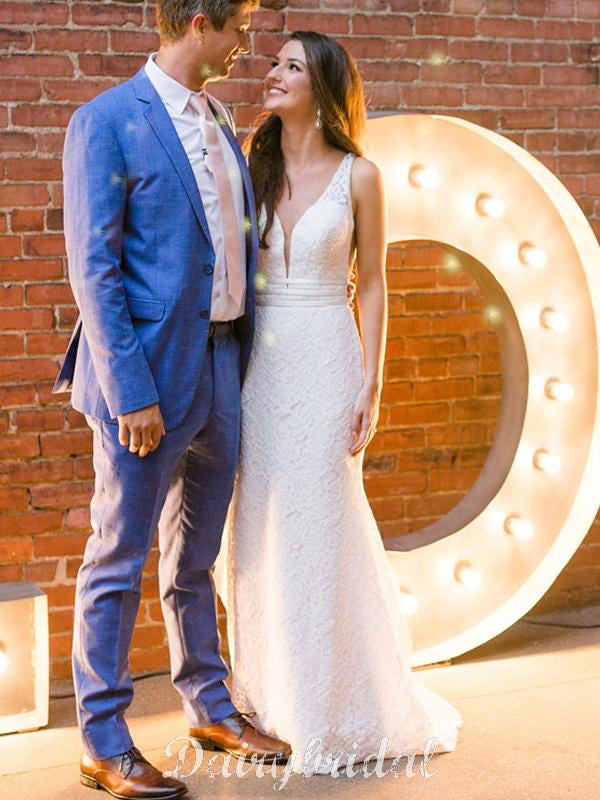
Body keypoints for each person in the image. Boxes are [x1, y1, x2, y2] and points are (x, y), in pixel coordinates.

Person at [53, 1, 292, 796]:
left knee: (196, 557)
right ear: (198, 22)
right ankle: (104, 742)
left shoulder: (219, 117)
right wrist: (131, 392)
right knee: (118, 558)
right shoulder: (106, 121)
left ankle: (210, 706)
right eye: (240, 26)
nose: (248, 43)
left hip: (222, 364)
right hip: (147, 382)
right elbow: (94, 268)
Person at [217, 31, 464, 774]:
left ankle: (329, 703)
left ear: (323, 89)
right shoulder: (250, 165)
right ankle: (269, 696)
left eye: (291, 66)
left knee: (323, 519)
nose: (272, 73)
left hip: (328, 355)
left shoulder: (362, 176)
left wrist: (371, 382)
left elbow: (376, 281)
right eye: (274, 62)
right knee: (259, 522)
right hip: (260, 365)